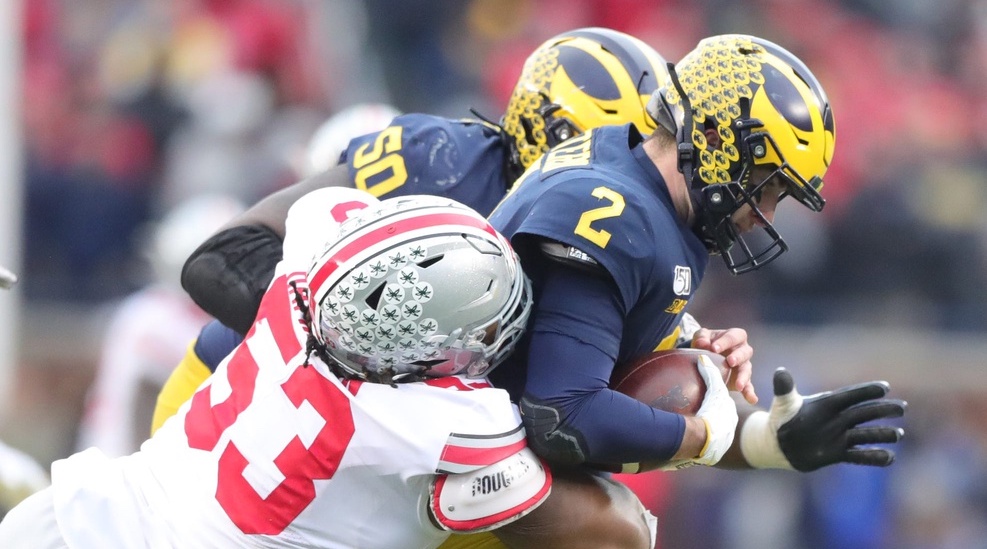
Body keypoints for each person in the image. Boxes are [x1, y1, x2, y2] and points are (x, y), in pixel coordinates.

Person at [169, 30, 906, 548]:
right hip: (261, 414)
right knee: (608, 525)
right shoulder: (466, 164)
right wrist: (347, 349)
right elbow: (565, 412)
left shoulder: (637, 215)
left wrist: (732, 411)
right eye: (767, 186)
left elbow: (580, 370)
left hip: (372, 446)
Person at [0, 188, 562, 548]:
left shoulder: (302, 261)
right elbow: (519, 482)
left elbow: (330, 202)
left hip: (77, 512)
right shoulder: (436, 418)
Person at [75, 193, 245, 458]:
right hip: (128, 468)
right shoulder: (157, 320)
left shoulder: (139, 311)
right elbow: (145, 411)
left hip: (102, 462)